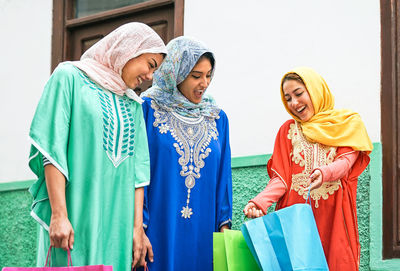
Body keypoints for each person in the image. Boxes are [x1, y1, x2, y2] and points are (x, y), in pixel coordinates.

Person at [28, 22, 167, 271]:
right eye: (150, 65)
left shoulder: (134, 105)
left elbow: (138, 174)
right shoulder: (68, 77)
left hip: (118, 226)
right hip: (75, 216)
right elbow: (52, 150)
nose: (150, 77)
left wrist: (137, 230)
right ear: (129, 49)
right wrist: (59, 214)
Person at [243, 67, 372, 271]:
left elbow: (346, 162)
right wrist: (261, 202)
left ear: (315, 90)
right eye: (288, 98)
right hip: (295, 222)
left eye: (299, 93)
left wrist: (325, 172)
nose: (294, 103)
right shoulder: (288, 130)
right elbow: (281, 178)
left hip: (335, 221)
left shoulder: (346, 124)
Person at [139, 36, 232, 271]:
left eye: (209, 75)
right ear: (175, 73)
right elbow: (137, 172)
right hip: (158, 229)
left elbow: (223, 178)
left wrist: (224, 228)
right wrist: (138, 227)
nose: (204, 83)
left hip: (204, 232)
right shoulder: (147, 109)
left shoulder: (217, 118)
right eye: (196, 76)